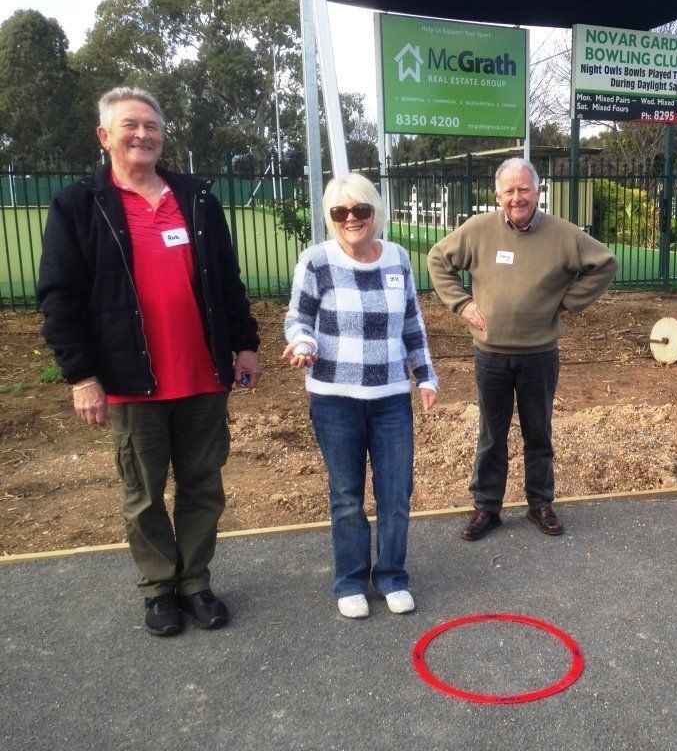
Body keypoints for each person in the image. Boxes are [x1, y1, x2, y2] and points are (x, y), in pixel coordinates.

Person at [37, 87, 261, 636]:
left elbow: (227, 281)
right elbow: (60, 297)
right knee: (143, 493)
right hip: (130, 381)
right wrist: (81, 376)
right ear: (104, 136)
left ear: (163, 135)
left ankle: (195, 583)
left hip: (203, 376)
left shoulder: (196, 199)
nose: (142, 135)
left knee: (203, 487)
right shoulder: (78, 205)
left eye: (152, 126)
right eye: (130, 125)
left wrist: (246, 344)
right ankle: (159, 587)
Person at [427, 158, 618, 541]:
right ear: (498, 195)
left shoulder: (563, 235)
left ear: (538, 191)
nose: (517, 197)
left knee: (538, 432)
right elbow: (438, 259)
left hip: (539, 354)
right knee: (491, 434)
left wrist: (570, 301)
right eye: (509, 191)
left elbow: (606, 264)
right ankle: (487, 507)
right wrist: (462, 304)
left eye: (524, 189)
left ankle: (540, 503)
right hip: (491, 354)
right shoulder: (477, 230)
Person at [283, 172, 437, 620]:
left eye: (361, 209)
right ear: (330, 217)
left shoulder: (398, 258)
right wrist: (303, 342)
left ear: (375, 211)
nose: (351, 218)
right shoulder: (317, 261)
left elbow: (412, 322)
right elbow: (298, 318)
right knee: (347, 495)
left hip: (390, 397)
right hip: (335, 399)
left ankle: (391, 576)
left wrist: (425, 376)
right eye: (340, 212)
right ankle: (350, 581)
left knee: (396, 493)